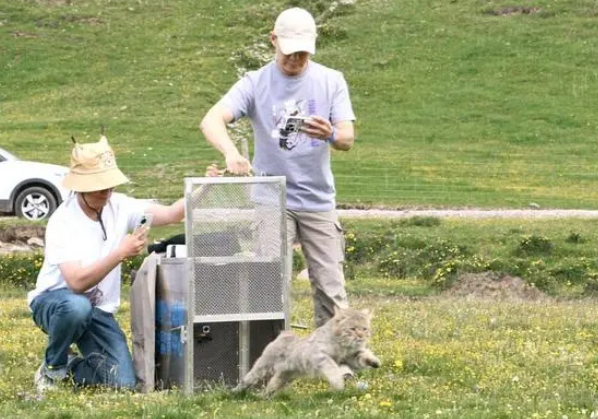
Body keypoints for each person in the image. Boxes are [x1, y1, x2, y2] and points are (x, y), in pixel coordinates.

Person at [200, 7, 356, 327]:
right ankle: (268, 359)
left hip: (317, 199)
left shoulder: (331, 81)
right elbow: (212, 120)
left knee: (331, 287)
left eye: (302, 53)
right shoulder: (255, 83)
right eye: (289, 52)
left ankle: (335, 361)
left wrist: (331, 134)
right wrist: (231, 152)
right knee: (269, 284)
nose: (295, 60)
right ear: (273, 40)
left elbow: (347, 139)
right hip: (271, 198)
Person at [27, 135, 208, 393]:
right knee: (77, 307)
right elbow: (76, 283)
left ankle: (70, 365)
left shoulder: (120, 205)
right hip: (56, 302)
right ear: (81, 188)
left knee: (122, 382)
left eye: (110, 185)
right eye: (100, 186)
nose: (107, 191)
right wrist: (120, 253)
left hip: (98, 310)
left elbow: (171, 214)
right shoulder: (63, 221)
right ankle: (52, 368)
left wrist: (203, 186)